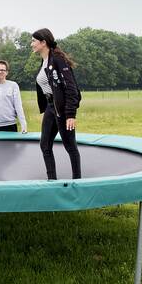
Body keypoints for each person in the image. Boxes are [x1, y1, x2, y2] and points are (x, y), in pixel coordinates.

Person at [31, 28, 82, 179]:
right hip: (50, 108)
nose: (31, 44)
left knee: (70, 146)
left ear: (43, 42)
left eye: (34, 41)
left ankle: (77, 182)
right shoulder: (44, 61)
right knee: (45, 144)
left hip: (63, 109)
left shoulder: (58, 60)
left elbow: (72, 88)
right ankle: (51, 180)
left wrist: (70, 114)